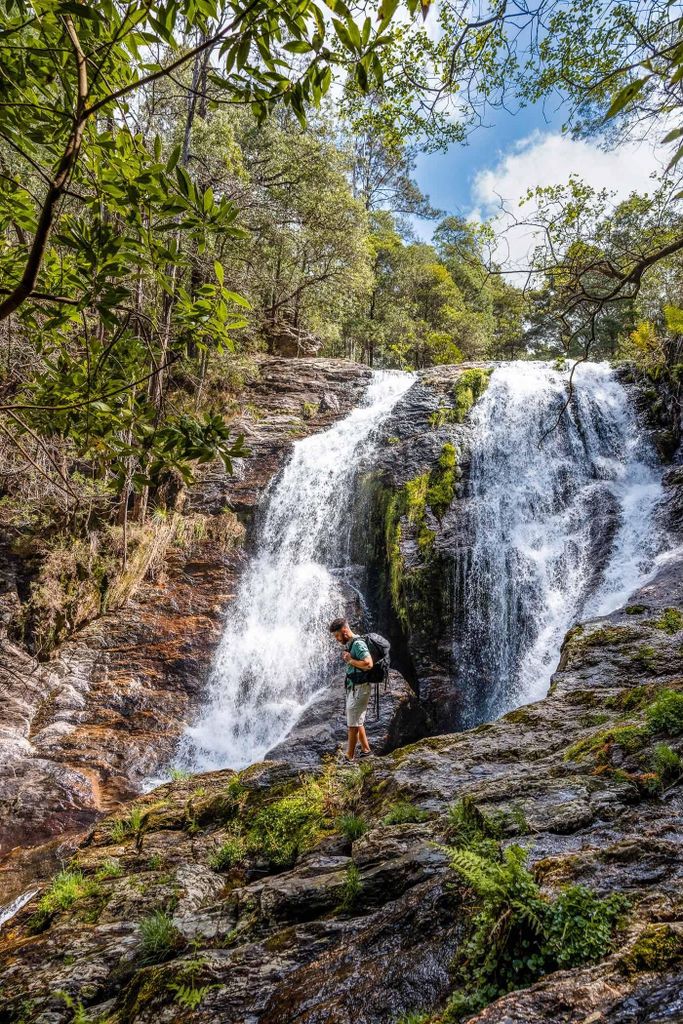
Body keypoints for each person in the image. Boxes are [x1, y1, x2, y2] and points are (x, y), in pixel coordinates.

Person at [329, 616, 374, 762]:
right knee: (356, 720)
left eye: (337, 635)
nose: (336, 639)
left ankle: (349, 757)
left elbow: (368, 664)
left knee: (352, 724)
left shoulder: (358, 644)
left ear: (344, 630)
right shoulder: (352, 643)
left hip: (361, 688)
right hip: (355, 687)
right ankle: (366, 750)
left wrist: (350, 660)